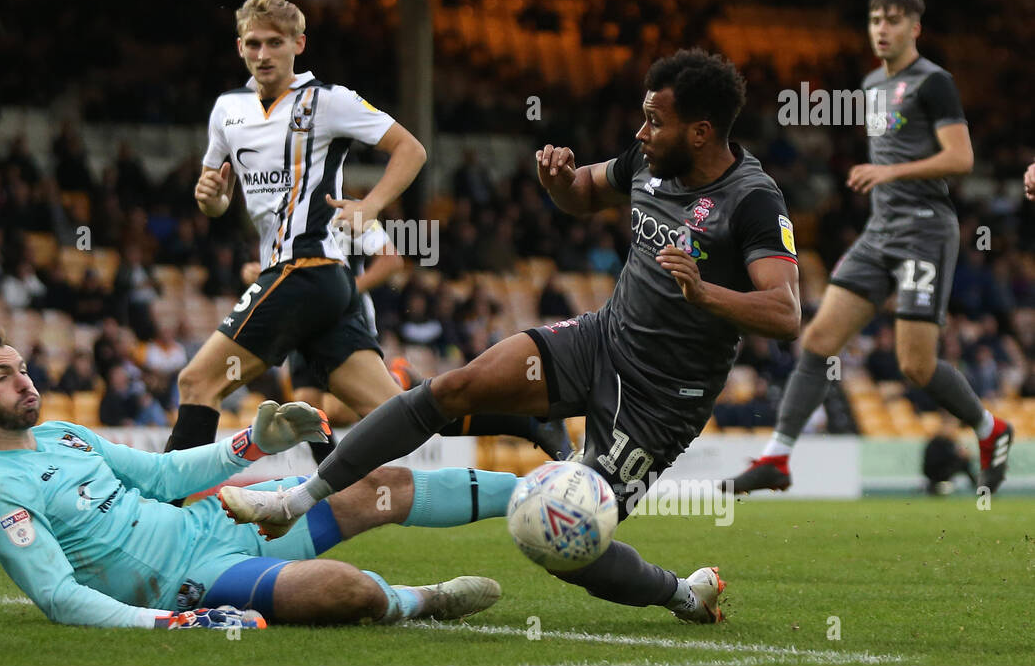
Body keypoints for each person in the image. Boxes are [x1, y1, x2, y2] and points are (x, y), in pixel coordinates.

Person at [221, 49, 799, 624]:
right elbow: (585, 193)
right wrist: (559, 183)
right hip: (600, 340)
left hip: (660, 399)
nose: (641, 132)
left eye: (656, 121)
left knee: (564, 542)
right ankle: (292, 501)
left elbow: (784, 311)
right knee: (453, 387)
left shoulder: (752, 201)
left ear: (700, 133)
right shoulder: (650, 163)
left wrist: (705, 295)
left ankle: (682, 594)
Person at [174, 0, 556, 460]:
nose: (263, 53)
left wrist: (371, 204)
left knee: (196, 381)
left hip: (306, 269)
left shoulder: (327, 100)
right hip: (316, 286)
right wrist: (211, 198)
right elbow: (214, 199)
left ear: (298, 44)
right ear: (239, 48)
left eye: (274, 42)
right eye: (253, 43)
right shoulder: (227, 111)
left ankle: (160, 513)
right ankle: (528, 420)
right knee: (398, 412)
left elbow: (411, 149)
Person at [0, 328, 508, 629]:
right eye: (3, 376)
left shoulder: (63, 434)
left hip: (212, 521)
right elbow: (59, 597)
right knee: (347, 590)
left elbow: (163, 475)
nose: (24, 382)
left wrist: (254, 444)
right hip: (192, 582)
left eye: (21, 368)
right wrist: (171, 622)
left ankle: (540, 491)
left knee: (380, 485)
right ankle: (424, 600)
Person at [726, 0, 1012, 497]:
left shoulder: (935, 82)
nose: (882, 28)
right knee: (817, 340)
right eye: (876, 19)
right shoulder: (871, 85)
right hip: (880, 232)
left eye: (893, 20)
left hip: (926, 230)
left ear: (915, 27)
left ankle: (991, 429)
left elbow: (961, 158)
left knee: (915, 365)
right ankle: (778, 457)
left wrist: (891, 174)